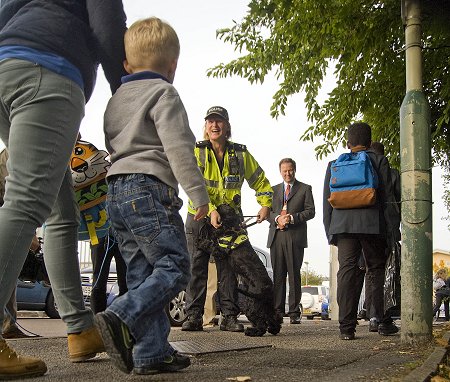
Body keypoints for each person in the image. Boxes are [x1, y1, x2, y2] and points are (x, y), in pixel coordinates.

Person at [0, 0, 127, 378]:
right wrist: (125, 92)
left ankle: (80, 328)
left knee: (59, 211)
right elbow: (107, 24)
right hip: (49, 69)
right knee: (27, 201)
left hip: (6, 65)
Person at [95, 17, 209, 375]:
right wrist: (198, 194)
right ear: (172, 65)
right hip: (149, 190)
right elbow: (179, 148)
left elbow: (113, 144)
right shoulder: (165, 93)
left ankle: (150, 352)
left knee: (143, 274)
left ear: (127, 65)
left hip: (115, 191)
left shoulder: (116, 99)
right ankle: (120, 315)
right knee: (175, 267)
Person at [181, 105, 274, 334]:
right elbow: (192, 184)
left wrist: (265, 204)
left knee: (228, 269)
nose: (214, 125)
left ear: (227, 126)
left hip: (230, 222)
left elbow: (260, 180)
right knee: (196, 267)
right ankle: (193, 315)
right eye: (210, 121)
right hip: (199, 216)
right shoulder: (197, 152)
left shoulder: (241, 154)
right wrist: (210, 208)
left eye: (219, 121)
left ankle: (229, 316)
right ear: (205, 127)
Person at [323, 122, 400, 340]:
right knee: (375, 270)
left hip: (343, 226)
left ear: (348, 143)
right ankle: (382, 322)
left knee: (347, 270)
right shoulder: (378, 160)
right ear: (369, 142)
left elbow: (326, 203)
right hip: (372, 225)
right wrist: (393, 231)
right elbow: (387, 200)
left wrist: (331, 232)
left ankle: (346, 328)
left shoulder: (334, 164)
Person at [267, 158, 315, 324]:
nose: (287, 174)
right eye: (284, 171)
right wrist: (278, 219)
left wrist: (292, 218)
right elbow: (268, 213)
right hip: (276, 237)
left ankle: (294, 312)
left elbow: (311, 211)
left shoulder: (305, 189)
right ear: (280, 171)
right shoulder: (272, 190)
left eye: (290, 170)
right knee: (278, 276)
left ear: (295, 170)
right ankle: (277, 312)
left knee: (294, 275)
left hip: (295, 237)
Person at [89, 231, 127, 314]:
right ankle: (97, 319)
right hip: (100, 235)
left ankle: (124, 319)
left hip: (123, 235)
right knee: (99, 282)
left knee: (126, 282)